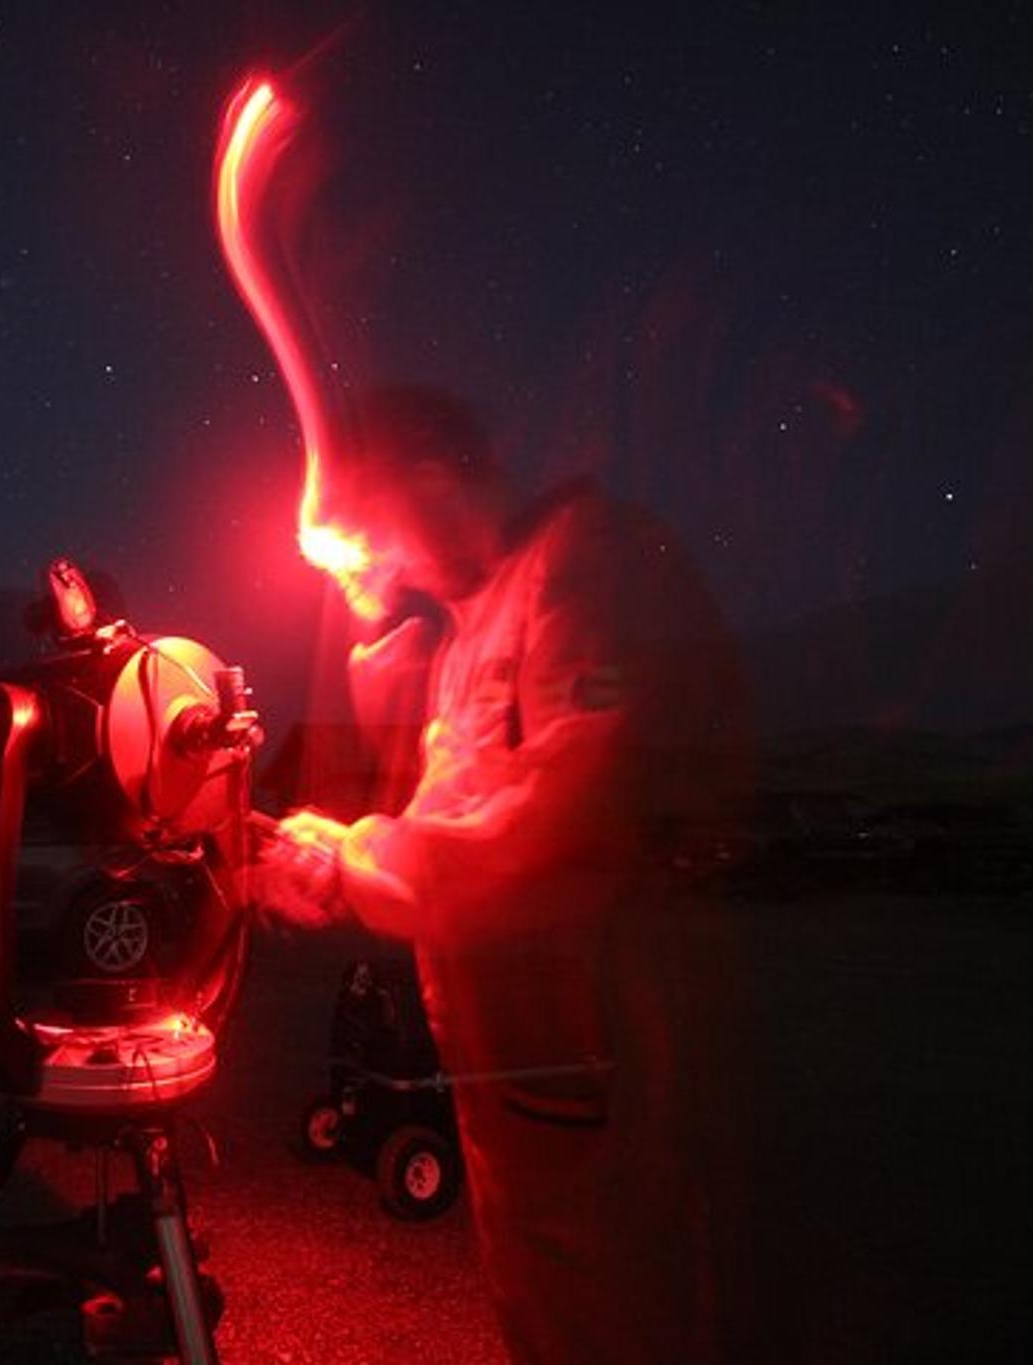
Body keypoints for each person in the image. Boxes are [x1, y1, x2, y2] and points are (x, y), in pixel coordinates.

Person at [259, 386, 758, 1365]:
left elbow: (570, 808)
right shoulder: (464, 632)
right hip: (521, 1073)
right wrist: (343, 844)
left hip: (606, 1044)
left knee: (632, 1302)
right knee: (546, 1299)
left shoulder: (588, 562)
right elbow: (453, 825)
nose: (373, 568)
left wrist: (360, 856)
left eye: (372, 533)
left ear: (432, 475)